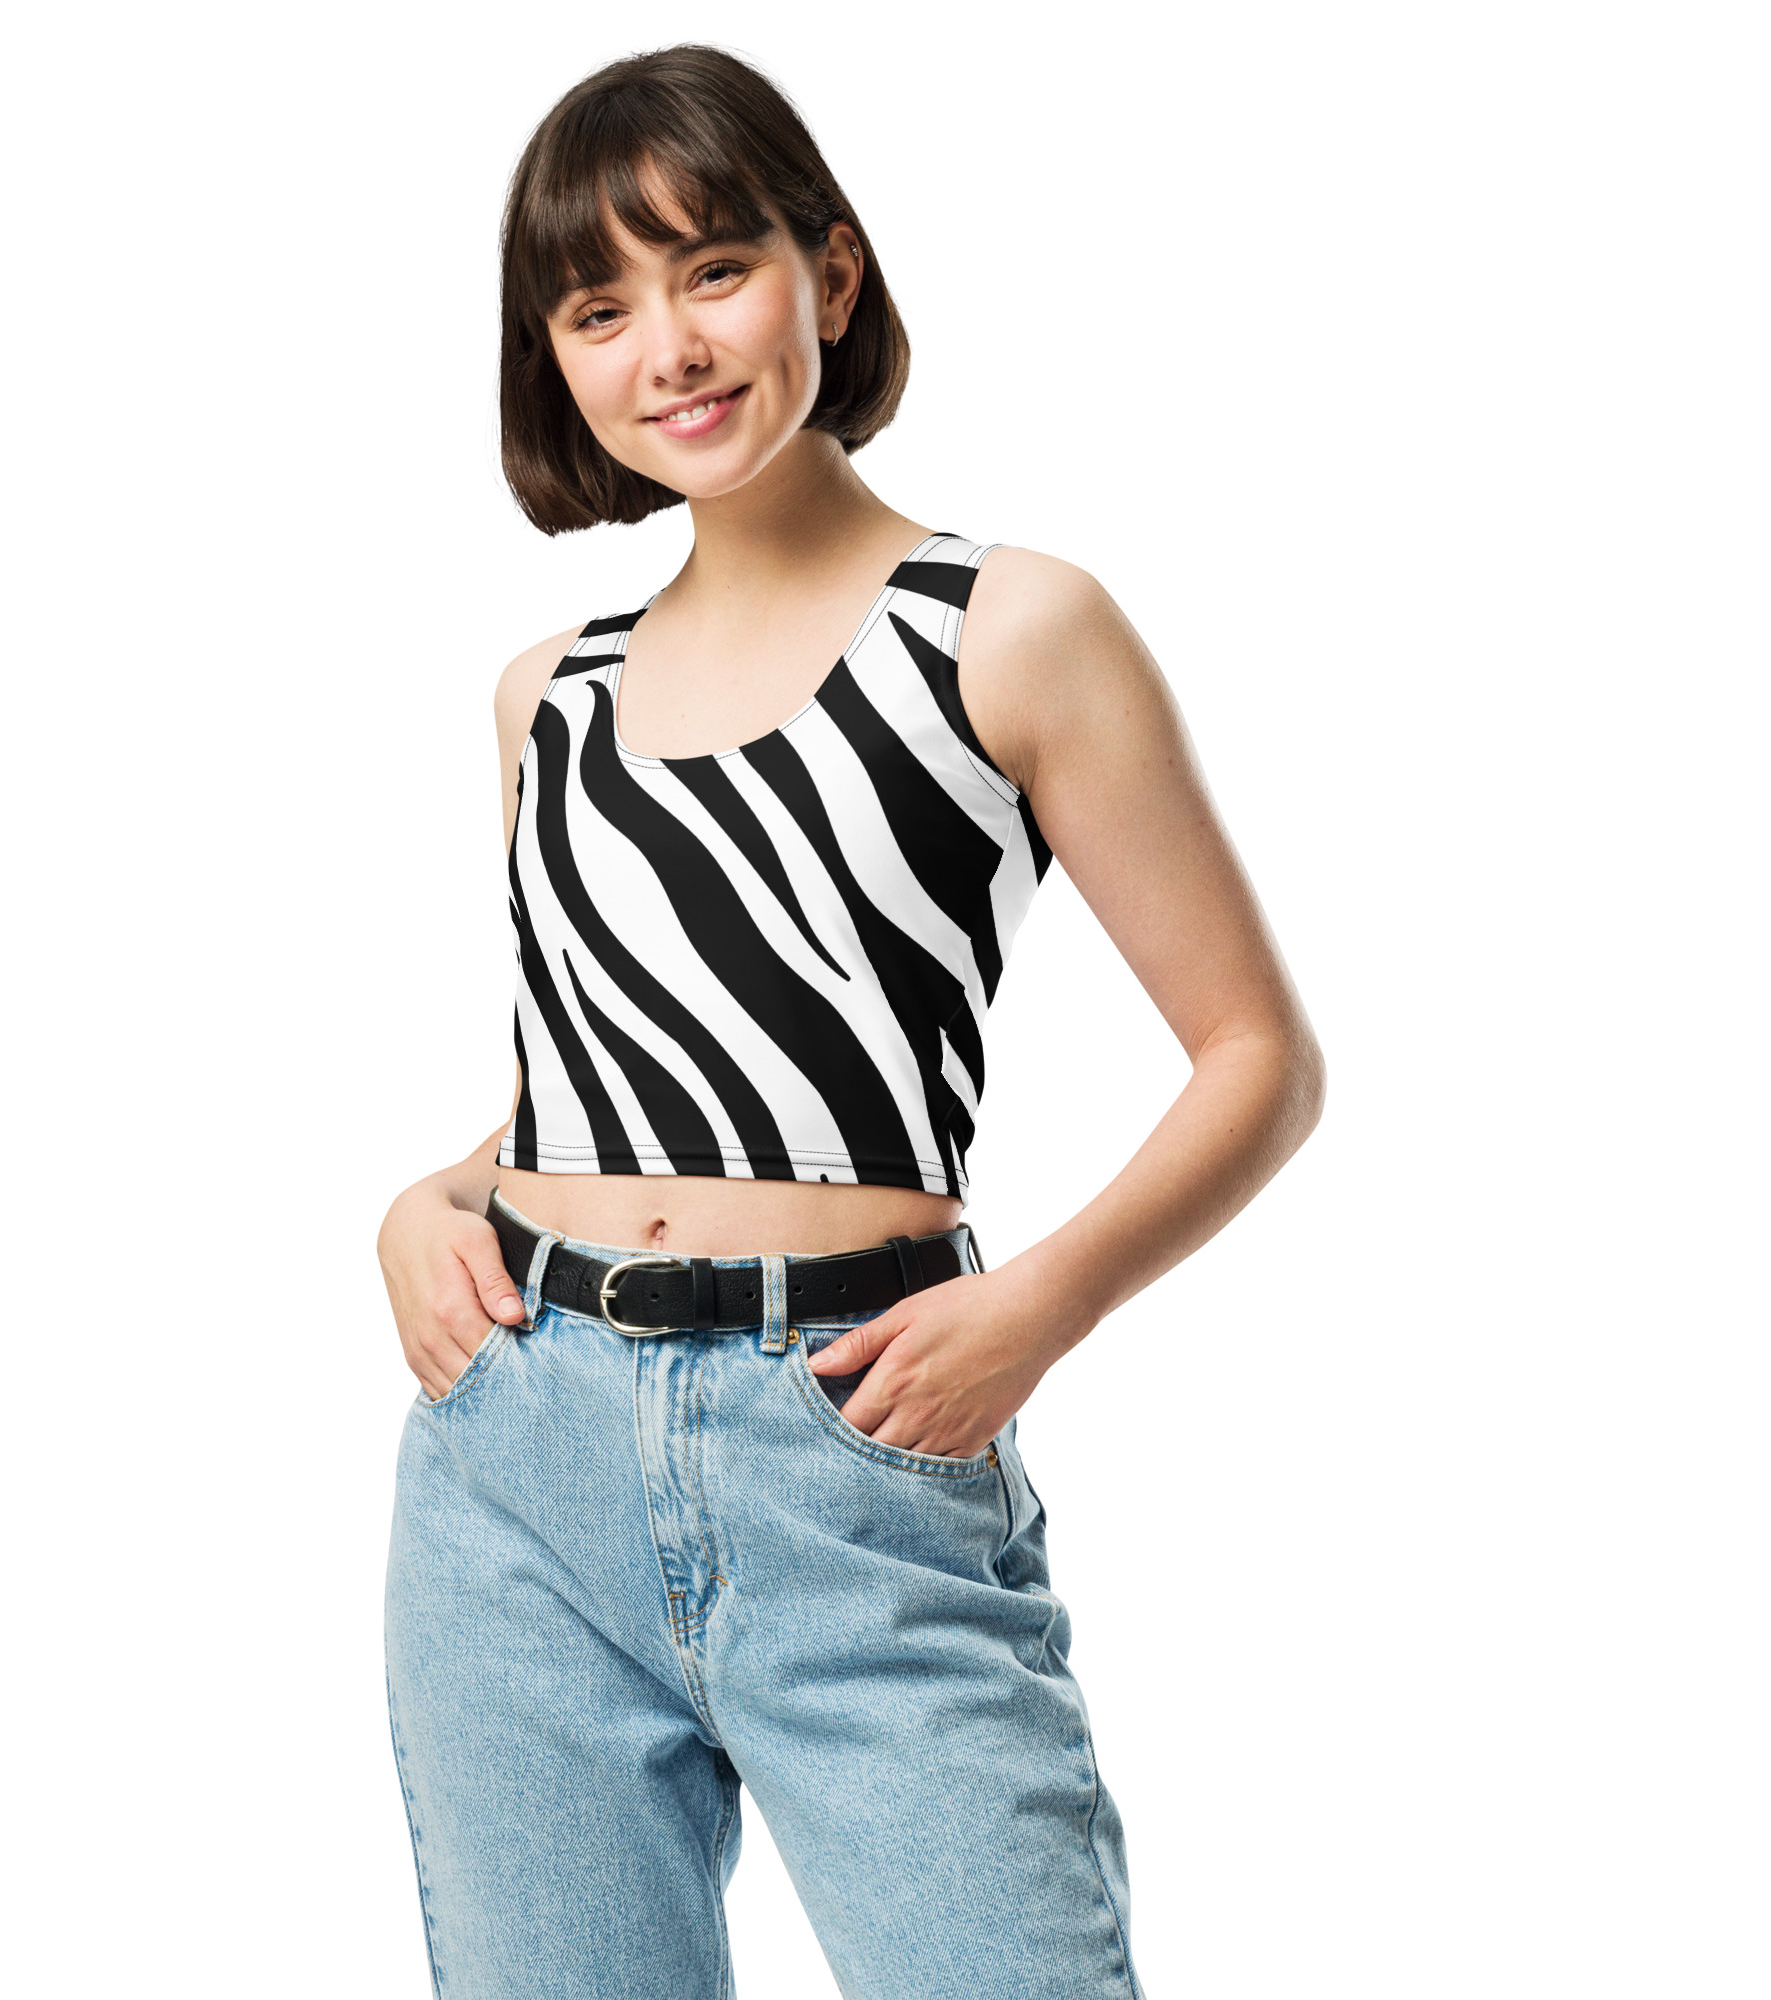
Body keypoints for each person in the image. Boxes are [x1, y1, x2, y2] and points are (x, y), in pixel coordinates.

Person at [378, 43, 1323, 2000]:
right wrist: (431, 1199)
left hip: (852, 1438)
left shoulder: (1006, 627)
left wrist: (1038, 1306)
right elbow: (609, 1072)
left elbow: (1258, 1057)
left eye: (713, 269)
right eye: (597, 308)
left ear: (831, 268)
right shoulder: (547, 694)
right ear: (552, 360)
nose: (669, 346)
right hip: (514, 1471)